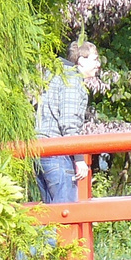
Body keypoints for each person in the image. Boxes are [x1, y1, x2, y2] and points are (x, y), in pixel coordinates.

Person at [35, 40, 100, 204]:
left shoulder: (54, 75)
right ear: (81, 60)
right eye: (95, 59)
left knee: (50, 218)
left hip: (40, 150)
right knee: (65, 214)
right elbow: (68, 122)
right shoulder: (71, 80)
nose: (98, 64)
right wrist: (79, 159)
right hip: (56, 152)